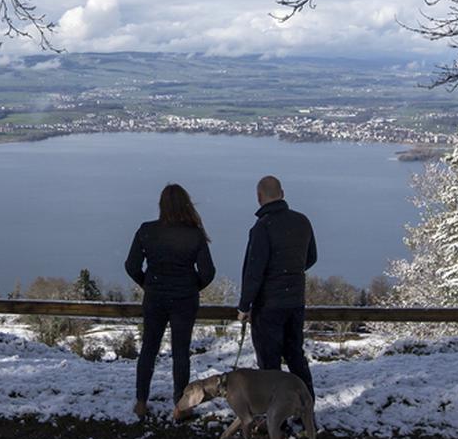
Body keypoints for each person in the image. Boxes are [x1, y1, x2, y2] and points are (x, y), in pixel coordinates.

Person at [125, 183, 216, 419]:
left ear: (161, 205)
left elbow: (131, 266)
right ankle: (180, 405)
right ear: (186, 204)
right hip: (184, 300)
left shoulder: (147, 230)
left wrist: (148, 283)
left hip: (155, 297)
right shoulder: (194, 234)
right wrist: (190, 285)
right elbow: (208, 272)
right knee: (180, 352)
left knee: (149, 349)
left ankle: (141, 402)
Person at [238, 174, 317, 410]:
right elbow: (311, 258)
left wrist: (244, 306)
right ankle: (306, 413)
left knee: (270, 366)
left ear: (259, 198)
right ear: (282, 194)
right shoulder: (302, 221)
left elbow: (254, 271)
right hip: (295, 302)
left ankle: (276, 420)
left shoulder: (262, 227)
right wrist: (290, 273)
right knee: (296, 357)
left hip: (268, 305)